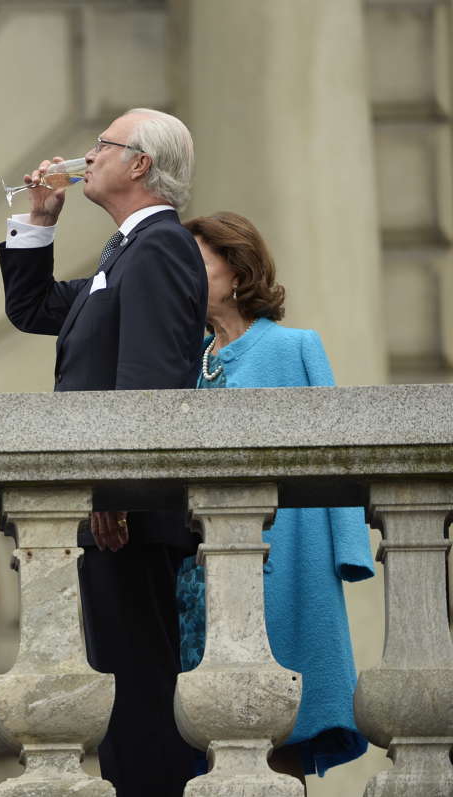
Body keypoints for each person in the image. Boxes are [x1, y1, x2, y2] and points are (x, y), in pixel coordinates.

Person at [0, 108, 206, 795]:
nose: (88, 156)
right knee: (123, 697)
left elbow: (148, 380)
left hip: (131, 521)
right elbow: (32, 310)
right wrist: (41, 217)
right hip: (117, 517)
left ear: (140, 163)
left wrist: (115, 491)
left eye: (102, 147)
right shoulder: (125, 251)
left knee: (141, 697)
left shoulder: (162, 245)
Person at [178, 211, 374, 783]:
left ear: (237, 272)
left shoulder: (295, 348)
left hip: (291, 561)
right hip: (199, 572)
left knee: (284, 729)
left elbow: (340, 454)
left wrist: (348, 551)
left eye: (196, 262)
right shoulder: (185, 355)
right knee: (210, 737)